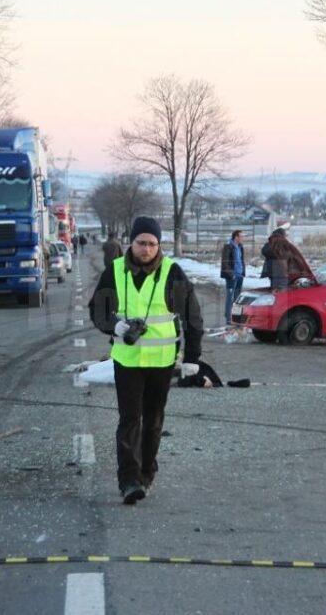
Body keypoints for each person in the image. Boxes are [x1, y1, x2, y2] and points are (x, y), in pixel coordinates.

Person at [89, 216, 204, 505]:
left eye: (152, 244)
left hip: (161, 362)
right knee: (129, 420)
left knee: (153, 422)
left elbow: (192, 316)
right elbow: (98, 310)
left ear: (158, 245)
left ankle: (146, 474)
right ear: (132, 242)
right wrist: (113, 327)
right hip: (127, 361)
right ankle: (128, 482)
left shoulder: (172, 272)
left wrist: (192, 357)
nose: (147, 249)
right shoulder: (114, 271)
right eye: (142, 243)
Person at [220, 230, 245, 325]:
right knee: (230, 298)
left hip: (240, 276)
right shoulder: (228, 247)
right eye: (241, 236)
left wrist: (242, 273)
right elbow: (225, 263)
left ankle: (236, 317)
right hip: (232, 276)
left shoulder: (240, 246)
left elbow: (241, 260)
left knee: (238, 299)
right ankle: (228, 318)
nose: (243, 238)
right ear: (236, 237)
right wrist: (232, 275)